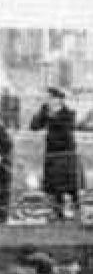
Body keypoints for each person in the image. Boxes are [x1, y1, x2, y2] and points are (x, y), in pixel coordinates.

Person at [29, 87, 81, 220]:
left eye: (50, 98)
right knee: (55, 187)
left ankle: (77, 212)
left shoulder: (68, 113)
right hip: (52, 154)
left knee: (71, 187)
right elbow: (34, 126)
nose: (47, 101)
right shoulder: (46, 112)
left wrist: (52, 116)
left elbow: (66, 128)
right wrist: (42, 112)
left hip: (65, 154)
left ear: (58, 99)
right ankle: (58, 213)